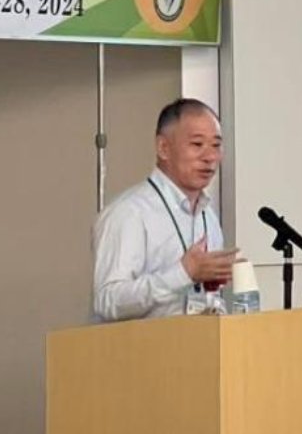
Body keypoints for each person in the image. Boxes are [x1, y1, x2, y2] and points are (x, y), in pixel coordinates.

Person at [92, 98, 239, 322]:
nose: (209, 157)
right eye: (197, 144)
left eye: (216, 145)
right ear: (163, 148)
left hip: (198, 341)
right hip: (141, 344)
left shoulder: (208, 216)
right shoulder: (129, 212)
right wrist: (183, 273)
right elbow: (108, 300)